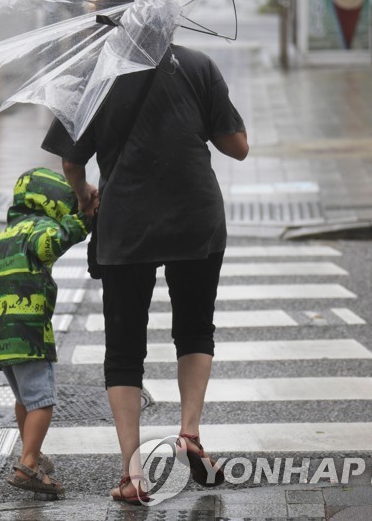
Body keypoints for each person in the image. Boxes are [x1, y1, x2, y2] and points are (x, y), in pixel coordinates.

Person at [42, 44, 249, 502]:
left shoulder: (93, 73)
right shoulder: (197, 65)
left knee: (124, 346)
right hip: (195, 216)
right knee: (195, 328)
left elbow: (72, 161)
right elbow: (238, 148)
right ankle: (189, 434)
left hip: (127, 222)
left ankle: (132, 473)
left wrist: (83, 195)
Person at [0, 167, 92, 497]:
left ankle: (33, 451)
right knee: (42, 399)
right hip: (26, 325)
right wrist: (84, 222)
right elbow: (48, 245)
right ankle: (28, 464)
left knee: (24, 397)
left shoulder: (6, 234)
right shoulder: (41, 226)